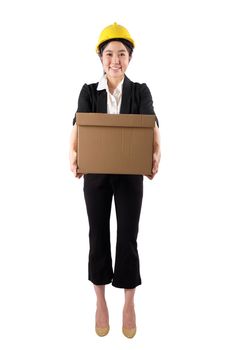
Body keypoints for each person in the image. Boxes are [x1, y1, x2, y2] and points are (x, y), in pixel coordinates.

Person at [69, 22, 161, 338]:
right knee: (98, 234)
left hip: (129, 176)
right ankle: (100, 300)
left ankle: (129, 301)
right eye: (109, 54)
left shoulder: (140, 91)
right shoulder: (87, 92)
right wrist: (72, 153)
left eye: (122, 54)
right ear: (101, 57)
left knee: (127, 236)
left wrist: (156, 152)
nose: (115, 60)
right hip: (96, 175)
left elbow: (152, 125)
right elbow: (77, 127)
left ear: (130, 58)